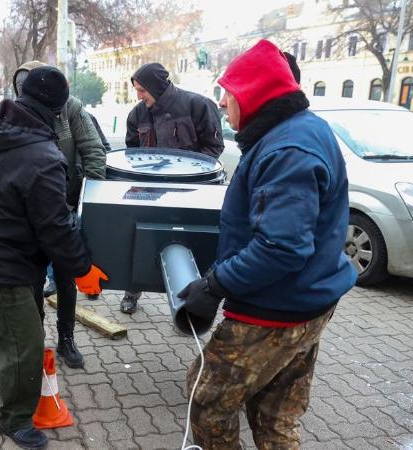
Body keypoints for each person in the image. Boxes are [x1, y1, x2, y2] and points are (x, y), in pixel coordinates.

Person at [177, 39, 356, 449]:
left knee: (206, 402)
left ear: (254, 94)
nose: (222, 102)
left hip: (276, 308)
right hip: (307, 300)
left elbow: (281, 247)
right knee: (275, 416)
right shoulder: (298, 130)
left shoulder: (288, 149)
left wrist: (214, 285)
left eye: (229, 93)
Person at [0, 66, 107, 450]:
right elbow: (55, 227)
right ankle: (15, 419)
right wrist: (81, 268)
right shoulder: (43, 156)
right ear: (57, 111)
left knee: (10, 326)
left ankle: (1, 375)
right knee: (26, 344)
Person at [13, 61, 107, 369]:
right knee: (33, 279)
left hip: (65, 204)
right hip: (29, 212)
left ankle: (66, 339)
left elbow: (93, 149)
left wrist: (89, 201)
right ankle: (36, 340)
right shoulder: (15, 110)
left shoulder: (71, 108)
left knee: (67, 277)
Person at [121, 62, 224, 315]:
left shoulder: (198, 105)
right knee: (140, 239)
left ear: (156, 86)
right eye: (136, 90)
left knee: (189, 243)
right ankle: (131, 292)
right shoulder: (137, 114)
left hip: (191, 191)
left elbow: (214, 147)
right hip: (150, 191)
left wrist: (189, 175)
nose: (139, 96)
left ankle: (190, 303)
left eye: (142, 90)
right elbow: (131, 153)